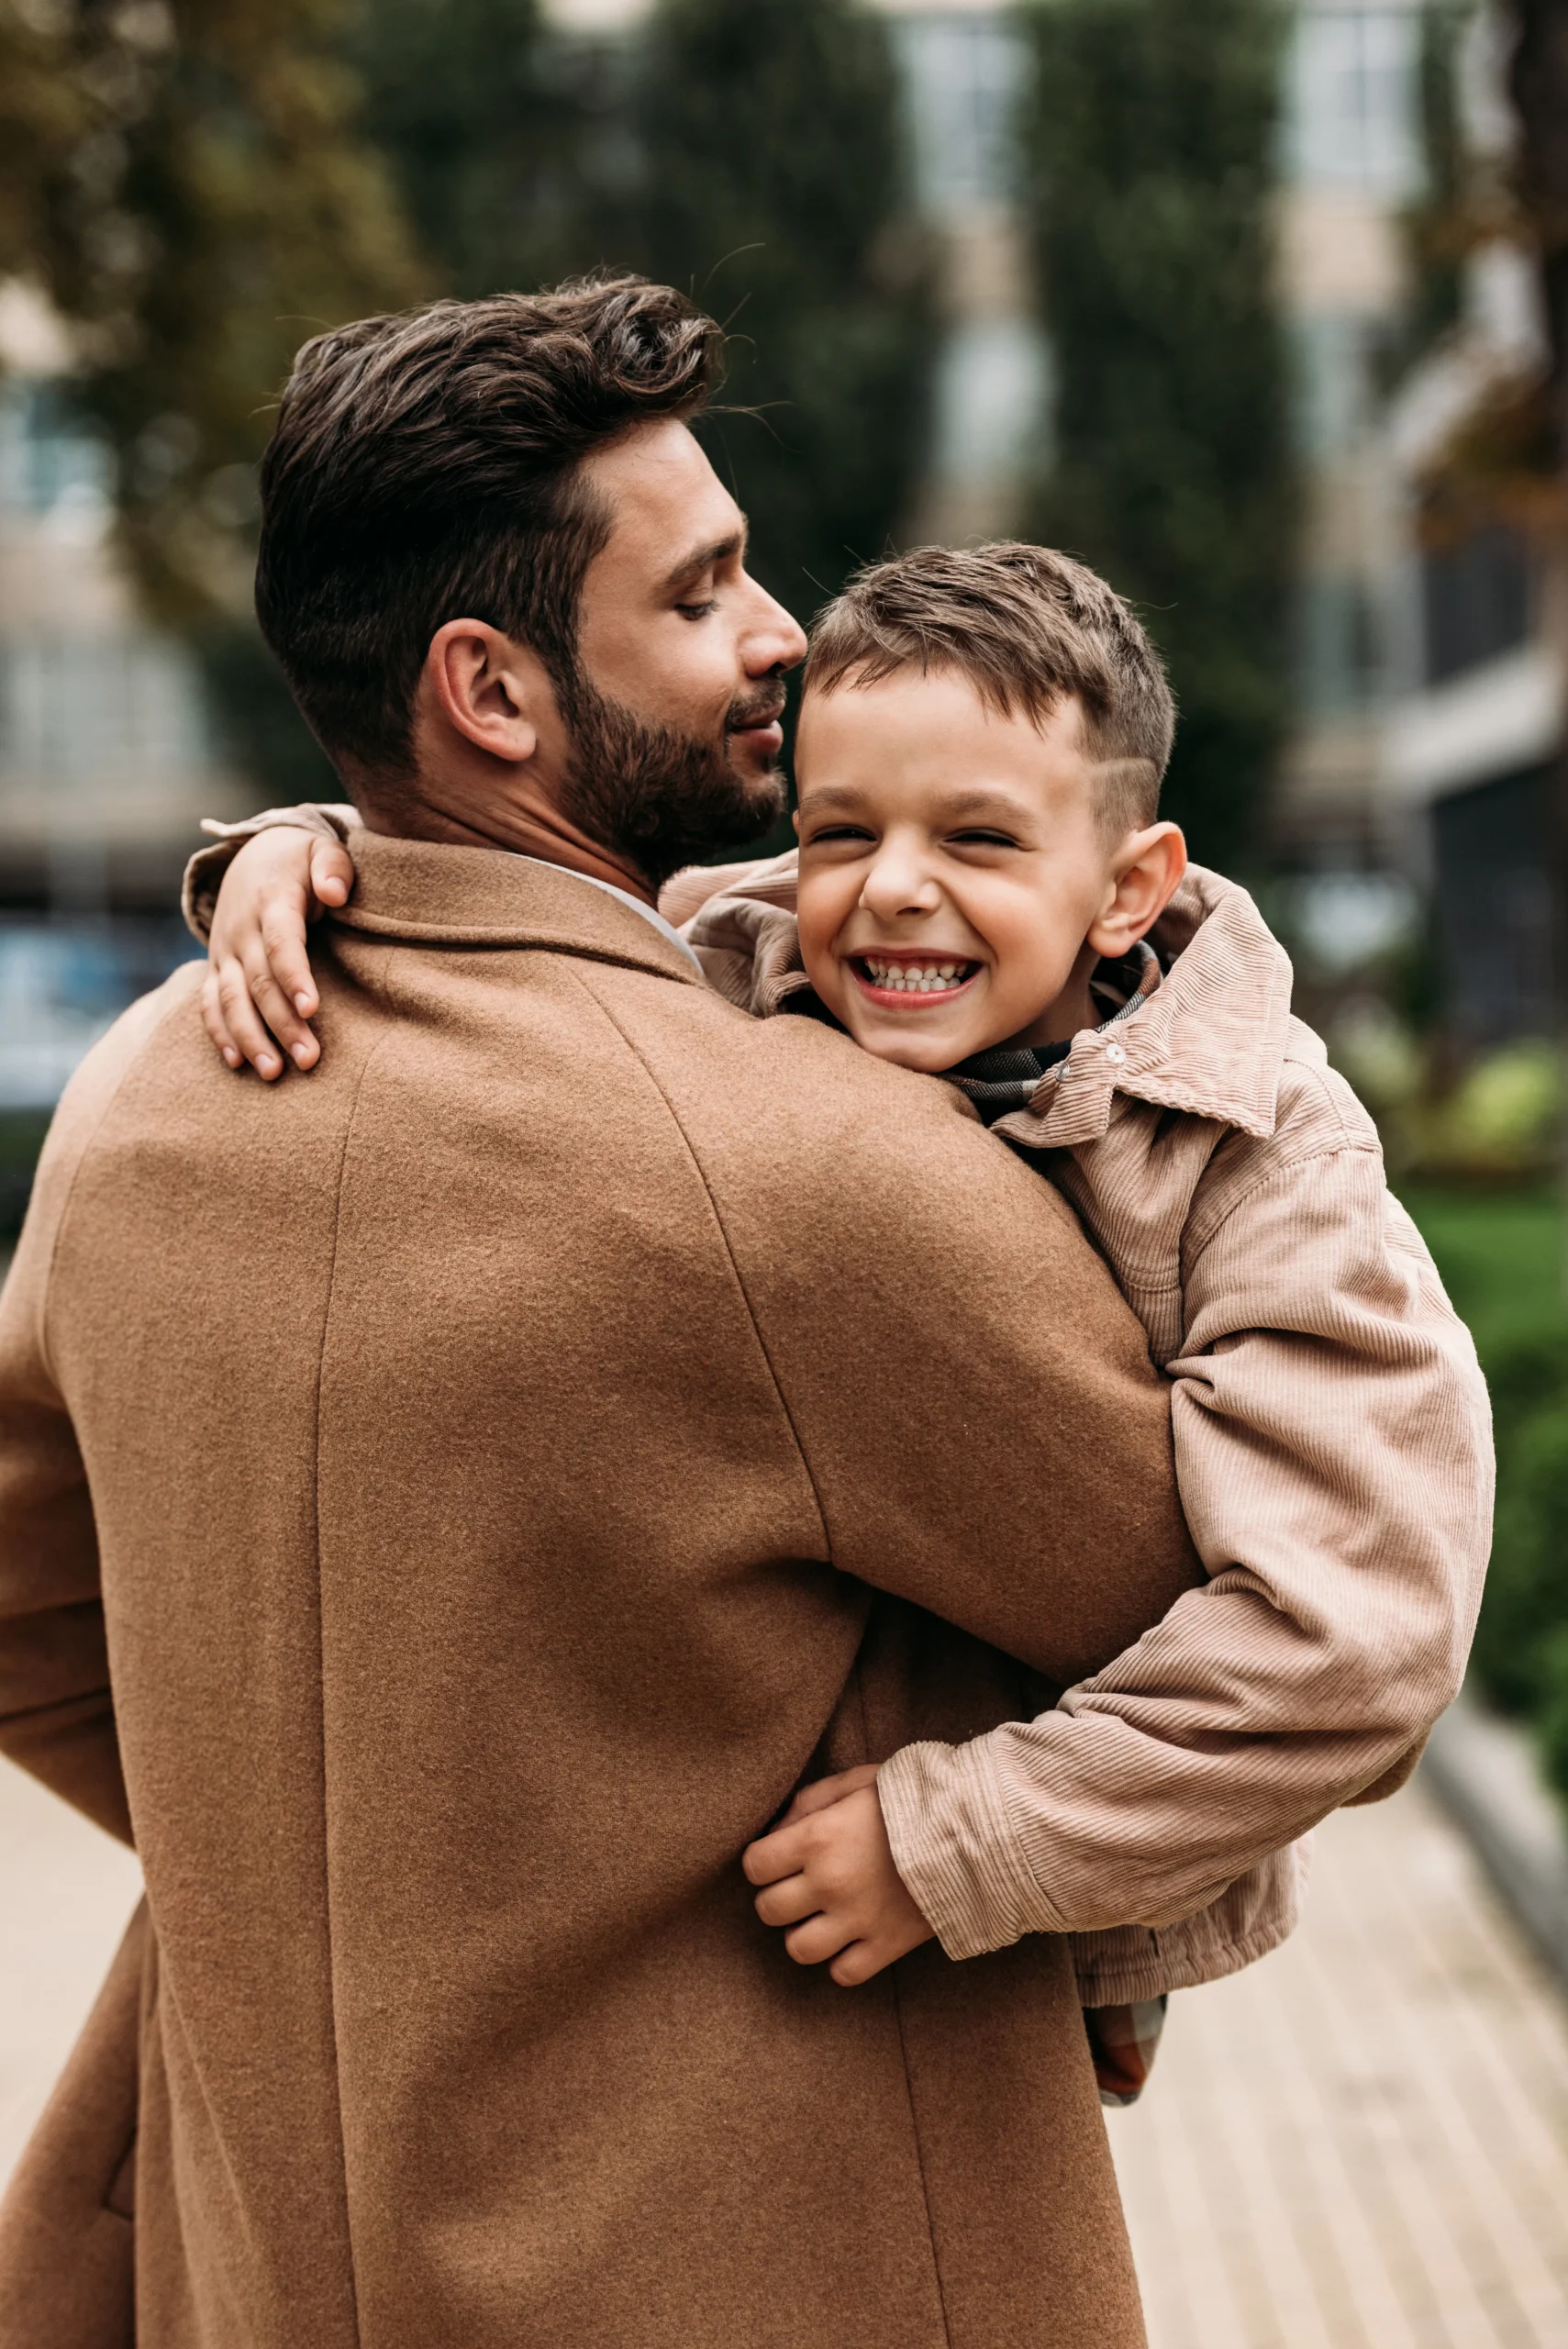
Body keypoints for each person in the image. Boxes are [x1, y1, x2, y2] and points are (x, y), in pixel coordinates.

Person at [0, 277, 1207, 2349]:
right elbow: (1201, 1583)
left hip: (262, 2264)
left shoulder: (134, 1106)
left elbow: (24, 1616)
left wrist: (372, 1855)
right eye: (708, 588)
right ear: (491, 694)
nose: (783, 637)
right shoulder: (796, 1173)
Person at [196, 540, 1495, 2119]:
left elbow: (1358, 1637)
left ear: (1129, 889)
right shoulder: (746, 963)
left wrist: (961, 1838)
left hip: (1042, 1846)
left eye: (978, 838)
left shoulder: (1261, 1152)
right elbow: (507, 911)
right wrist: (302, 855)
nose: (888, 886)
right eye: (837, 830)